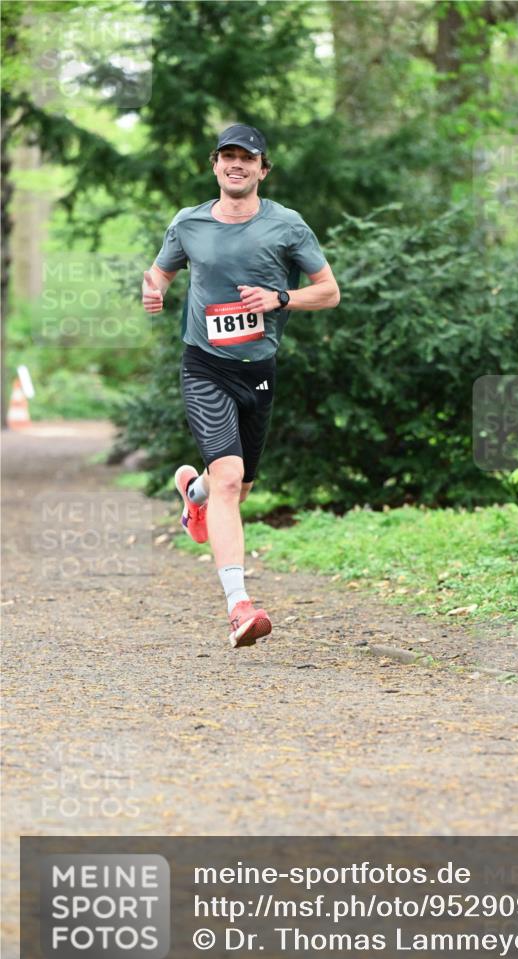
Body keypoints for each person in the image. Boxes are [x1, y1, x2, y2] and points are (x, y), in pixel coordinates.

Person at [142, 124, 340, 648]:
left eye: (247, 159)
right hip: (205, 366)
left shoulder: (287, 226)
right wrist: (154, 290)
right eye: (227, 156)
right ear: (214, 165)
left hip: (259, 372)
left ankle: (193, 495)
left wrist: (280, 299)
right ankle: (239, 606)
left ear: (262, 170)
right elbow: (160, 272)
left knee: (238, 487)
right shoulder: (189, 223)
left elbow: (329, 292)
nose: (237, 165)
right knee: (229, 478)